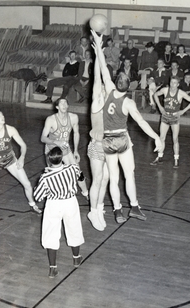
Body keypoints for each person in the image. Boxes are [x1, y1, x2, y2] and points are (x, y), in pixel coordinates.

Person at [91, 29, 162, 223]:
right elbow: (141, 122)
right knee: (128, 175)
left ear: (115, 82)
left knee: (113, 178)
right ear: (129, 85)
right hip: (122, 138)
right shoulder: (129, 103)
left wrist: (98, 45)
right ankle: (135, 207)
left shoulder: (108, 91)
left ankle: (117, 210)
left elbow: (104, 67)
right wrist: (156, 137)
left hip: (107, 139)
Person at [34, 147, 84, 278]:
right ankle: (76, 258)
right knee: (74, 228)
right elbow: (81, 176)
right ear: (61, 158)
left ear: (49, 161)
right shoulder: (73, 168)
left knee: (51, 233)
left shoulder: (45, 177)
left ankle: (53, 268)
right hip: (70, 202)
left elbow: (37, 197)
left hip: (54, 204)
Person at [40, 98, 89, 200]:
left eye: (65, 102)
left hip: (65, 148)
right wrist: (56, 142)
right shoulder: (51, 119)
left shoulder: (74, 117)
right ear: (57, 107)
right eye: (61, 103)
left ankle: (86, 193)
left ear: (67, 106)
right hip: (52, 150)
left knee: (77, 171)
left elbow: (76, 133)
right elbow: (43, 138)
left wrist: (76, 150)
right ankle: (50, 196)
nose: (64, 104)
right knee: (53, 175)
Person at [86, 41, 109, 231]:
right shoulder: (96, 103)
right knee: (98, 178)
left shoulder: (109, 104)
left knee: (106, 179)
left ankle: (100, 208)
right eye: (100, 89)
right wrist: (97, 55)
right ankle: (92, 211)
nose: (102, 90)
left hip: (109, 146)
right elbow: (97, 78)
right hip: (96, 145)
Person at [150, 76, 190, 168]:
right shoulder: (165, 90)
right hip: (165, 116)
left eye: (175, 83)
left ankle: (176, 159)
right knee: (162, 137)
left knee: (175, 139)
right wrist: (160, 107)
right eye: (171, 82)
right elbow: (155, 94)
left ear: (178, 84)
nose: (172, 85)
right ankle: (159, 157)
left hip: (175, 117)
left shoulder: (181, 93)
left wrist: (183, 111)